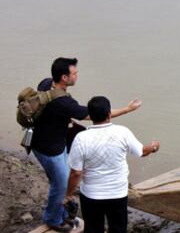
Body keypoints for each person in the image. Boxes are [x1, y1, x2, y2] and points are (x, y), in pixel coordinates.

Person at [31, 57, 142, 232]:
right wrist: (128, 109)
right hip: (50, 150)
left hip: (42, 140)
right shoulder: (64, 103)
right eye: (74, 73)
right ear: (64, 78)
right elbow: (95, 116)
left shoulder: (45, 84)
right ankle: (53, 219)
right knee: (60, 184)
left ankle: (59, 212)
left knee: (62, 180)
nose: (77, 76)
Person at [65, 96, 160, 233]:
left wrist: (68, 194)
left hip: (92, 195)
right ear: (109, 114)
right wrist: (154, 147)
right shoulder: (122, 132)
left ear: (90, 116)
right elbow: (142, 152)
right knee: (118, 229)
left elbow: (76, 173)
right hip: (117, 194)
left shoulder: (81, 138)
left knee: (93, 229)